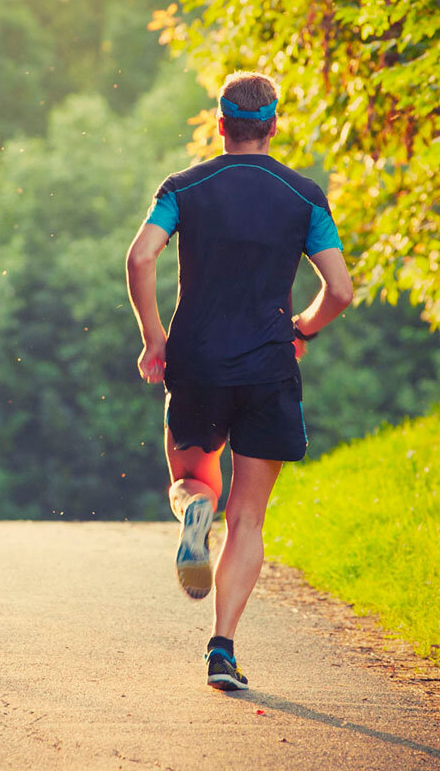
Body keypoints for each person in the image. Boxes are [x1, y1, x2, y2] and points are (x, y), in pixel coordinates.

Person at [124, 71, 352, 691]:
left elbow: (141, 256)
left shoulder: (185, 187)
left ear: (220, 125)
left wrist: (153, 338)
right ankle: (222, 649)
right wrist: (301, 329)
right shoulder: (304, 196)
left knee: (193, 478)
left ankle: (194, 509)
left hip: (196, 361)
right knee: (248, 518)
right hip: (269, 368)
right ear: (273, 126)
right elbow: (341, 290)